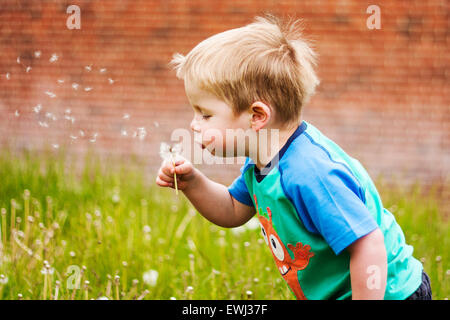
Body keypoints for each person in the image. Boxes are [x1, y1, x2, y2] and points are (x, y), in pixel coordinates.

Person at [156, 14, 431, 300]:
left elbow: (368, 243)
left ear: (257, 116)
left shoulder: (310, 172)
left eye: (205, 114)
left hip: (390, 293)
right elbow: (234, 210)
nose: (193, 124)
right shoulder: (263, 162)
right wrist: (192, 183)